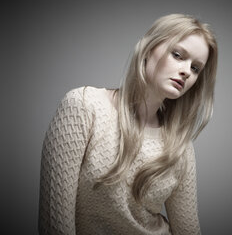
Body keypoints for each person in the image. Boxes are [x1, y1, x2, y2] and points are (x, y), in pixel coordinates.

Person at [38, 13, 218, 235]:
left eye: (195, 68)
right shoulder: (83, 107)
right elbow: (54, 225)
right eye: (178, 55)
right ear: (148, 48)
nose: (186, 71)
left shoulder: (180, 147)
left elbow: (188, 229)